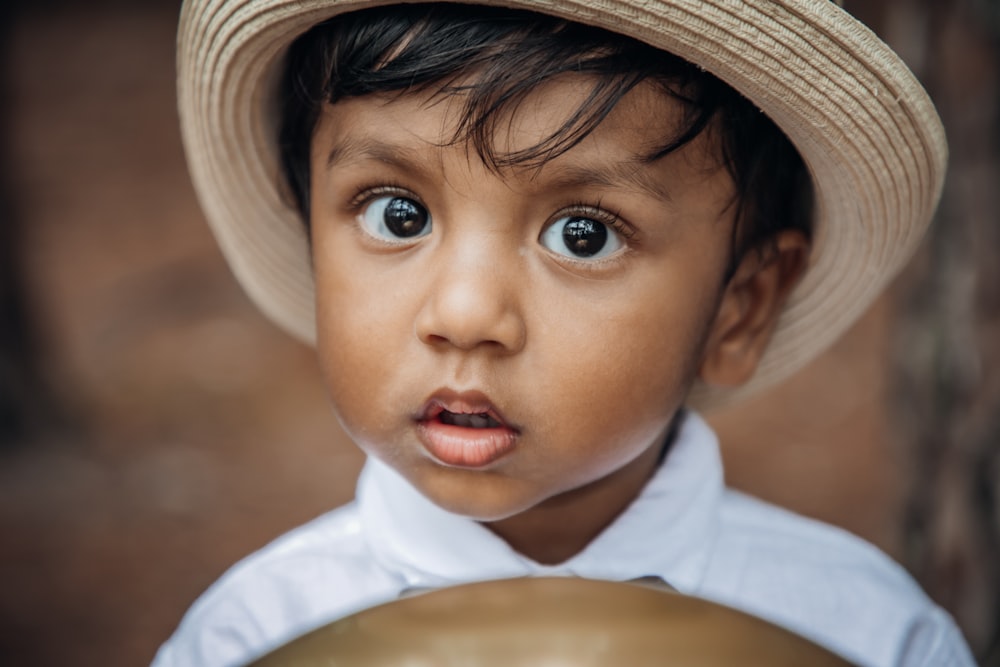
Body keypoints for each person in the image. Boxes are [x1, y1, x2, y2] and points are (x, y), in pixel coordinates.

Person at [155, 0, 976, 665]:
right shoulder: (251, 637)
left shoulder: (864, 636)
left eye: (583, 234)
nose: (466, 316)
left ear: (742, 307)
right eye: (396, 214)